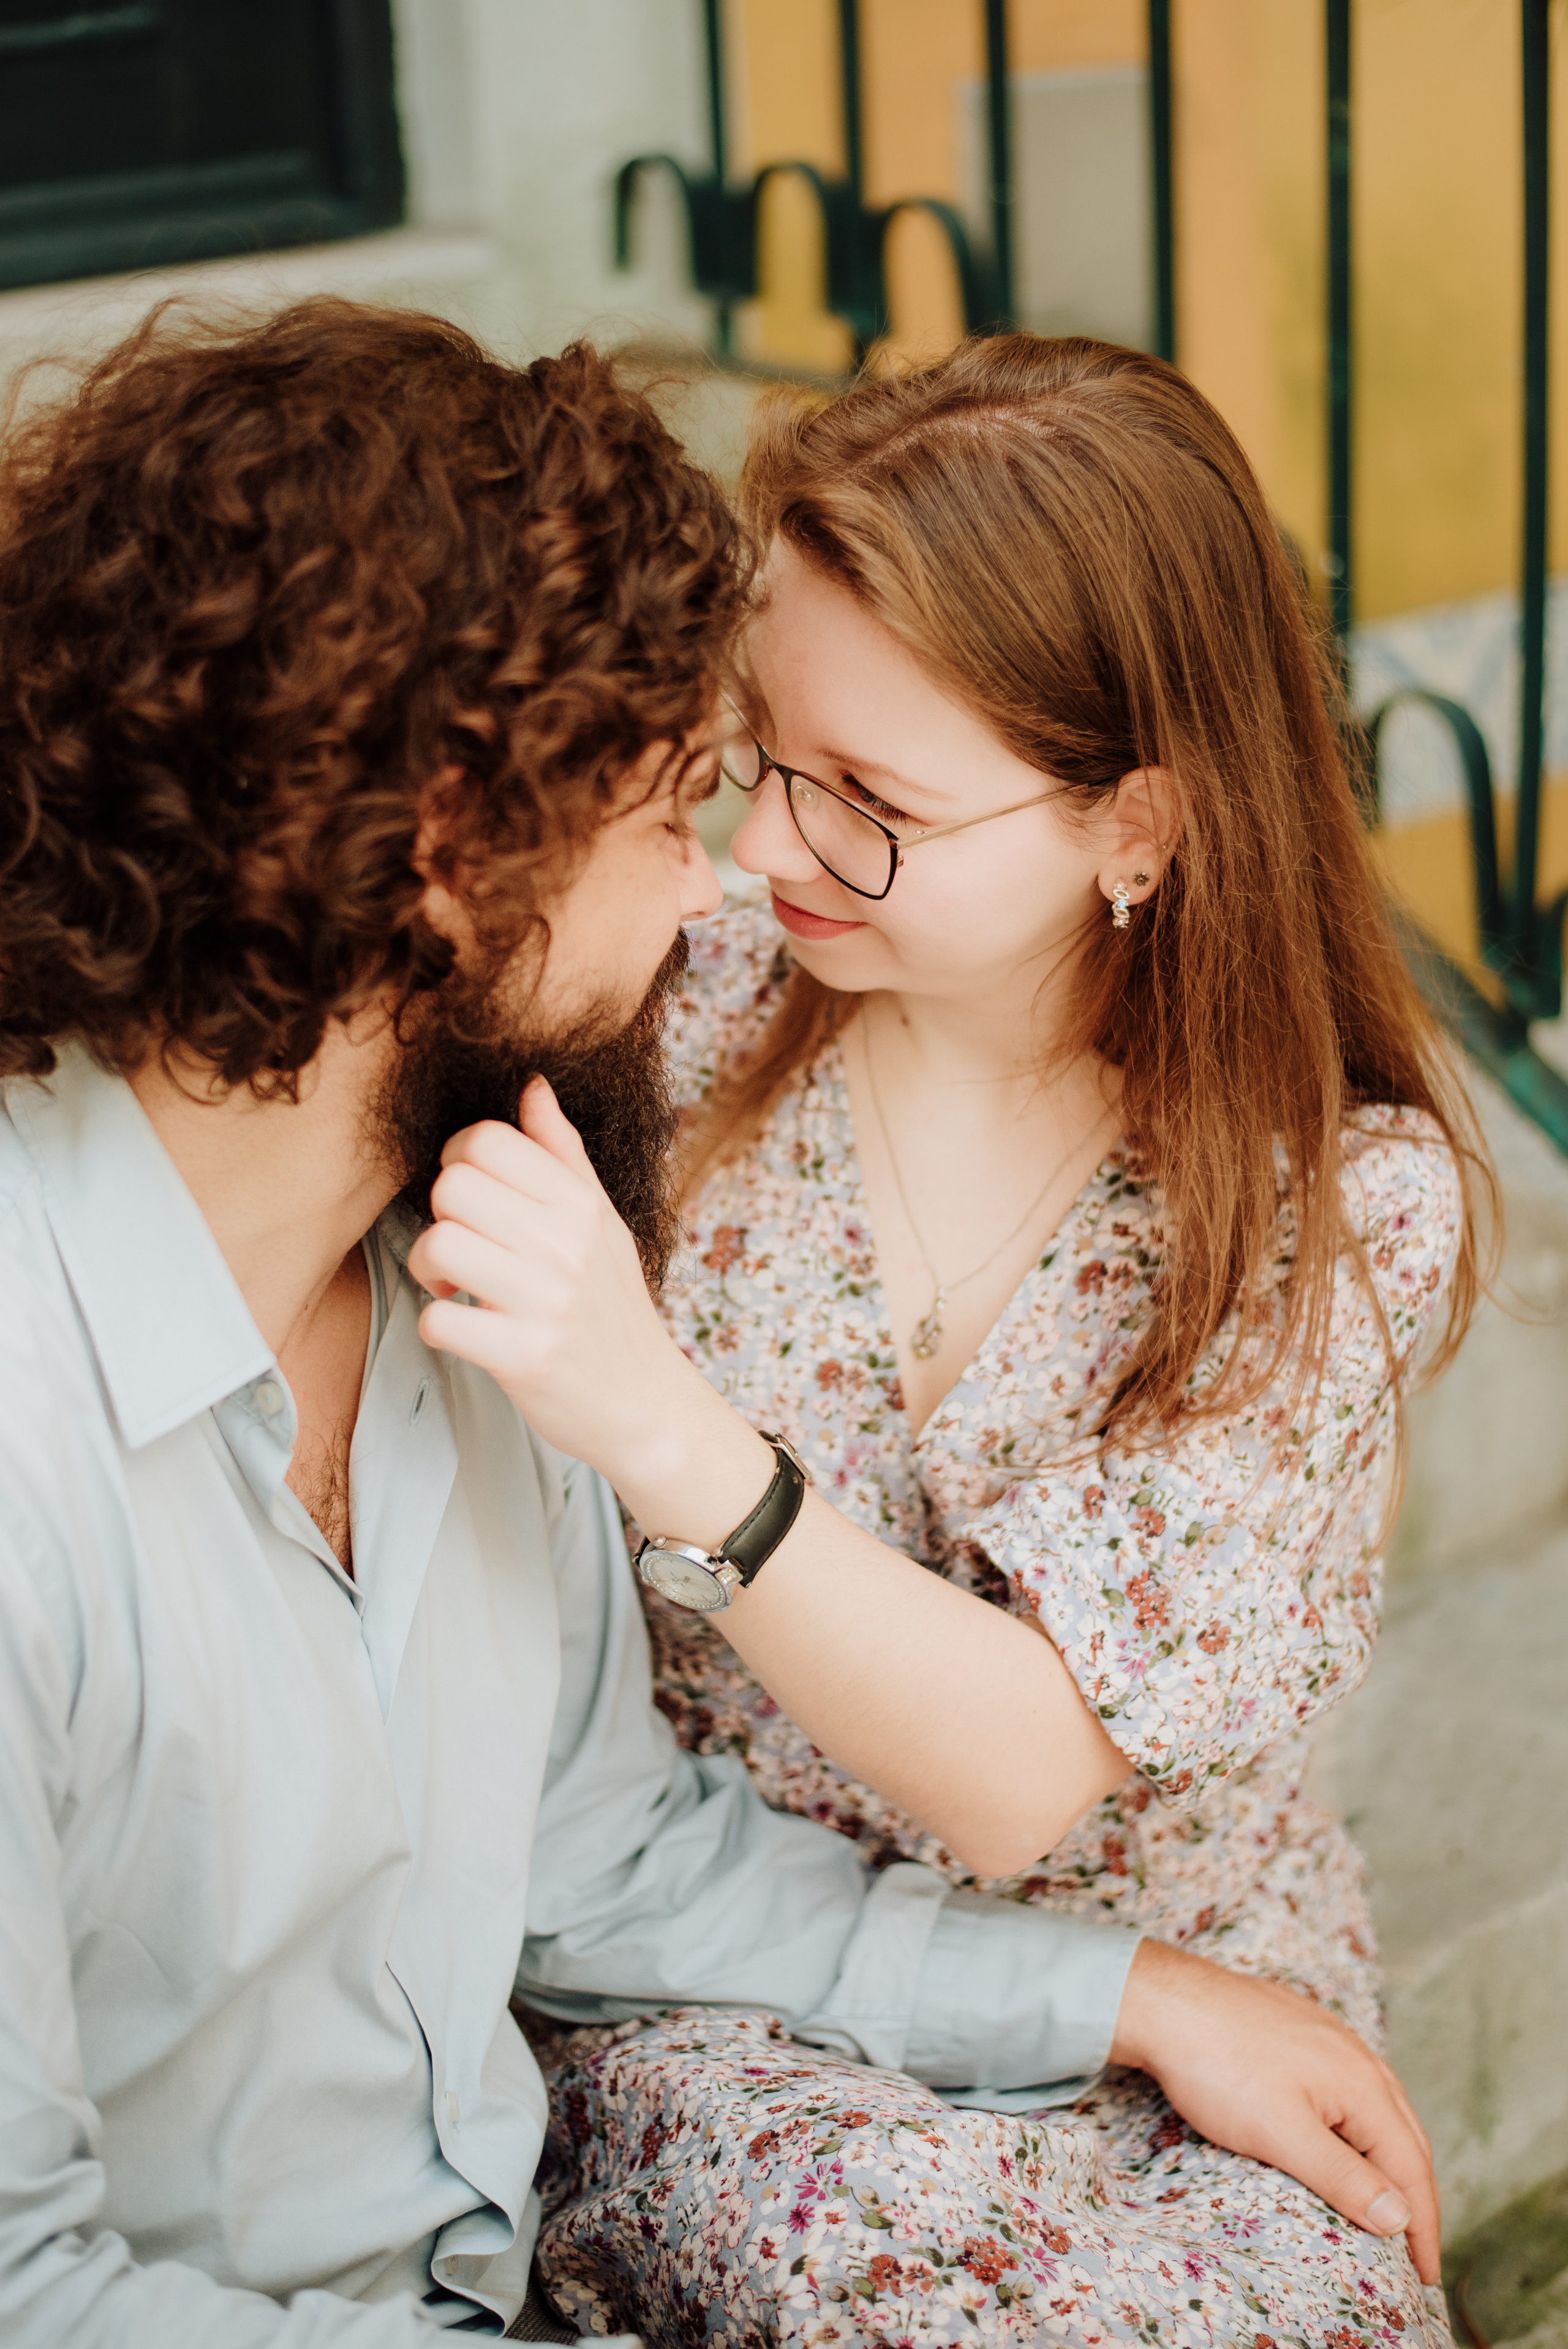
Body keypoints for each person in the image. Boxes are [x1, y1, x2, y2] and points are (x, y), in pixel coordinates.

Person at [0, 303, 1438, 2348]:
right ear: (444, 855)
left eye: (848, 799)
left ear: (1139, 822)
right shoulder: (83, 1418)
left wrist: (1128, 1989)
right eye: (697, 800)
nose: (735, 881)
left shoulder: (487, 1256)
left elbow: (617, 1853)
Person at [416, 338, 1483, 2344]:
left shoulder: (1335, 1205)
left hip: (1188, 2002)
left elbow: (1019, 1783)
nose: (765, 853)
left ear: (1137, 827)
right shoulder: (690, 1005)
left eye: (873, 805)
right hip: (739, 1989)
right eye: (764, 760)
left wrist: (662, 1420)